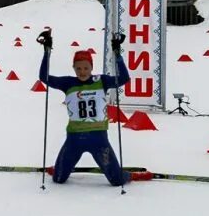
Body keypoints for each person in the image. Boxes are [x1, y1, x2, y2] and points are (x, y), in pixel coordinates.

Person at [37, 30, 152, 185]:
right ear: (73, 68)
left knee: (117, 181)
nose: (82, 72)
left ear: (91, 67)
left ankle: (128, 175)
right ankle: (59, 168)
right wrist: (47, 52)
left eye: (86, 68)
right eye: (78, 68)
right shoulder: (68, 83)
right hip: (74, 139)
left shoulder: (101, 81)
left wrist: (117, 54)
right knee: (58, 179)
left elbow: (124, 79)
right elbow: (44, 78)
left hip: (99, 139)